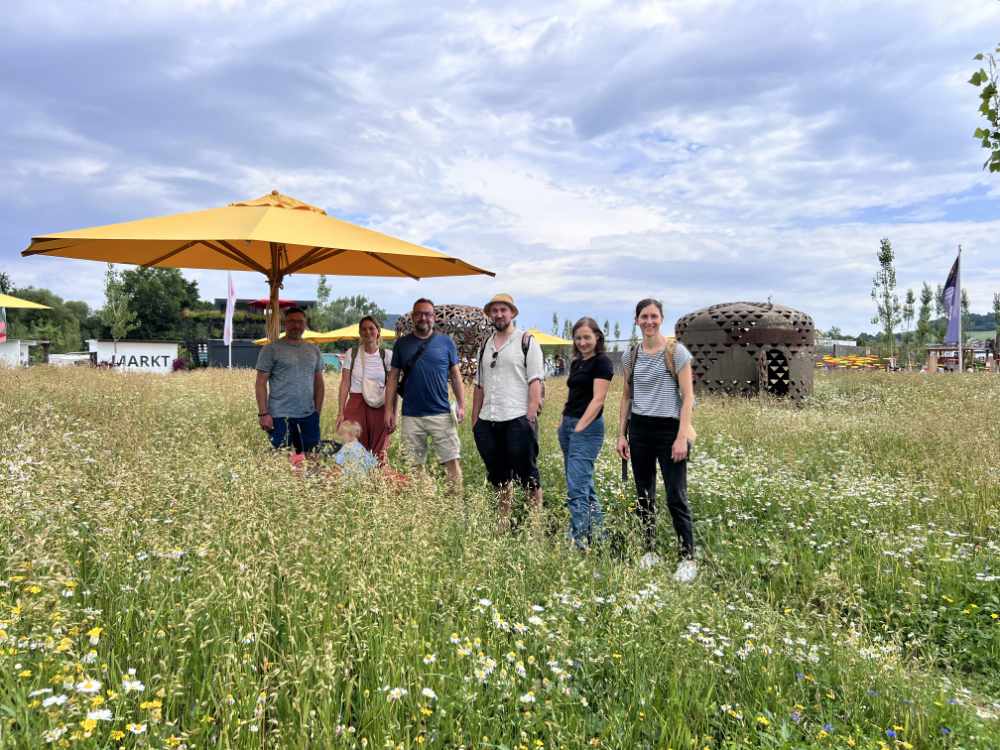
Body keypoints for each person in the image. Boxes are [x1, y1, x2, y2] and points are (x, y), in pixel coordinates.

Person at [615, 298, 698, 582]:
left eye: (653, 316)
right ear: (636, 320)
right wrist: (621, 435)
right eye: (643, 317)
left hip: (670, 429)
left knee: (676, 496)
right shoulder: (631, 356)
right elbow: (627, 396)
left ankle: (688, 557)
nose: (649, 321)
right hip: (640, 431)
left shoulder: (677, 353)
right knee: (644, 495)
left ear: (661, 318)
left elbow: (688, 397)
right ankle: (649, 550)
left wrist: (681, 436)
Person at [472, 293, 545, 529]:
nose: (499, 314)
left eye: (503, 310)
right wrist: (475, 421)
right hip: (488, 420)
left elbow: (535, 381)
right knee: (499, 477)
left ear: (512, 313)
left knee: (529, 477)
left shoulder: (526, 341)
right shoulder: (485, 344)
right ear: (490, 315)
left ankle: (535, 527)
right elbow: (479, 384)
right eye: (494, 310)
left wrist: (530, 416)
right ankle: (504, 523)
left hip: (517, 419)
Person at [384, 298, 466, 494]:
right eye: (419, 313)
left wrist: (462, 404)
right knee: (414, 465)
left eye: (428, 314)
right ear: (413, 317)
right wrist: (389, 410)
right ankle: (426, 502)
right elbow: (393, 378)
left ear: (434, 317)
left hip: (441, 413)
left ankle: (454, 506)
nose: (423, 318)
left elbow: (455, 375)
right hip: (411, 415)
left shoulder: (446, 342)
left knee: (451, 462)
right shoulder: (402, 344)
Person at [558, 317, 613, 548]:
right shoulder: (577, 363)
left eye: (587, 337)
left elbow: (598, 399)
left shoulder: (602, 362)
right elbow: (574, 397)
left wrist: (579, 428)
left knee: (576, 489)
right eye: (578, 338)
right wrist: (563, 423)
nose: (582, 342)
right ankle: (599, 536)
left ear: (597, 337)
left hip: (587, 429)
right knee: (584, 484)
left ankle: (579, 540)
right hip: (569, 426)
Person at [255, 306, 325, 453]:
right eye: (292, 321)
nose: (296, 325)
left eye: (300, 322)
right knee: (282, 462)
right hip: (279, 417)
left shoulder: (313, 350)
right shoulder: (270, 349)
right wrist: (263, 413)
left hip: (308, 416)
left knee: (311, 460)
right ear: (285, 324)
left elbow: (319, 383)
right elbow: (260, 383)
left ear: (305, 325)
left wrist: (317, 412)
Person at [337, 315, 392, 461]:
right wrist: (340, 412)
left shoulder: (387, 356)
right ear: (360, 333)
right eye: (364, 329)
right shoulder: (352, 354)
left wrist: (391, 412)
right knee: (354, 446)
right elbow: (345, 383)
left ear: (378, 332)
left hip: (380, 406)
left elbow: (393, 387)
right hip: (356, 404)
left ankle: (377, 481)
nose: (367, 332)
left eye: (371, 328)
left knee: (379, 449)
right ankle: (356, 481)